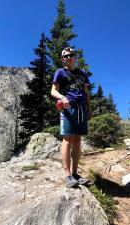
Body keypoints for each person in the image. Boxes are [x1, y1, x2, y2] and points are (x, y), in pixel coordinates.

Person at [51, 47, 91, 188]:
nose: (69, 57)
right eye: (66, 56)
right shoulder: (60, 72)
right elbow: (53, 91)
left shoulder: (82, 73)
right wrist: (62, 97)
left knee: (78, 140)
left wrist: (89, 108)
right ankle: (67, 175)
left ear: (75, 57)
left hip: (81, 109)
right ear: (63, 59)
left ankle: (75, 174)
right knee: (67, 140)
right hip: (68, 108)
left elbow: (85, 92)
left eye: (71, 55)